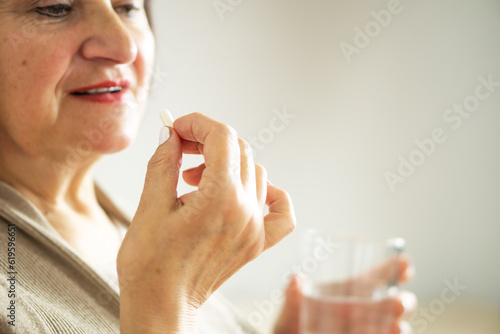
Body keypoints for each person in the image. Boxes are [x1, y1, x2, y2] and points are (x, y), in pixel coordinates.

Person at [0, 0, 416, 333]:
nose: (123, 45)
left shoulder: (138, 226)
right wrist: (167, 301)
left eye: (128, 7)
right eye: (54, 7)